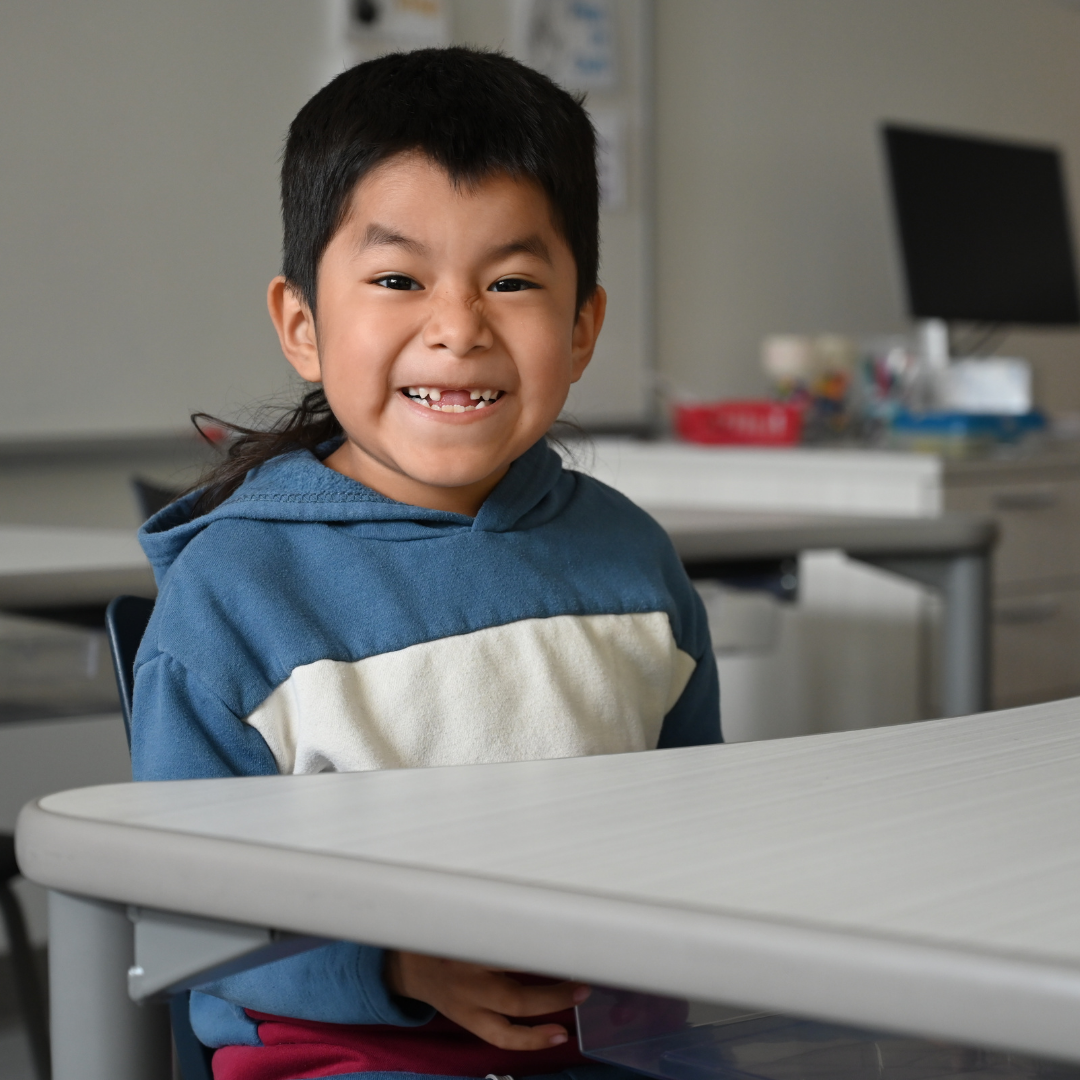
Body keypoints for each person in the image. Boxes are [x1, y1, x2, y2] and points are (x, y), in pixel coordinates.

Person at [133, 46, 721, 1080]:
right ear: (303, 325)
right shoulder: (234, 595)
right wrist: (399, 968)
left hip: (605, 1040)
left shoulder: (633, 562)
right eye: (399, 279)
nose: (458, 328)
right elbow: (185, 916)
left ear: (583, 325)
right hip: (343, 1048)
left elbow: (701, 828)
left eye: (514, 280)